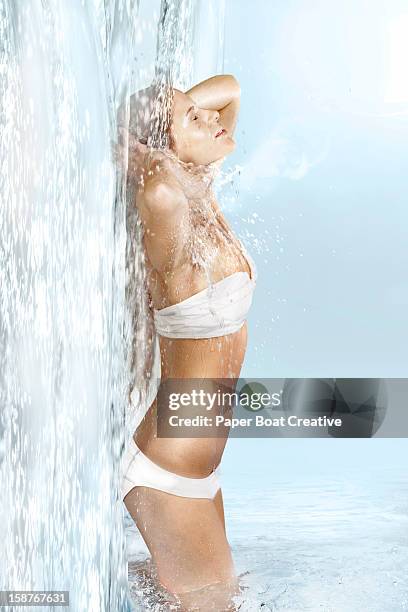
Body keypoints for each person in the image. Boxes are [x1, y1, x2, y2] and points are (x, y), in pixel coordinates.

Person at [120, 74, 257, 610]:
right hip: (169, 469)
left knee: (217, 593)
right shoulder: (168, 204)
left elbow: (231, 90)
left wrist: (179, 118)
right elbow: (155, 184)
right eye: (193, 119)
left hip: (196, 462)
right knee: (215, 603)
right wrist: (147, 153)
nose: (212, 118)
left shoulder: (198, 182)